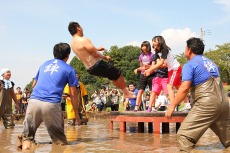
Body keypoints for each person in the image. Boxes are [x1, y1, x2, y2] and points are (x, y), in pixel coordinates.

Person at [165, 37, 230, 152]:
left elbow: (184, 88)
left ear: (189, 50)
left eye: (185, 48)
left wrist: (172, 106)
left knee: (184, 136)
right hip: (224, 104)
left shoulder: (190, 64)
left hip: (207, 104)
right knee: (228, 141)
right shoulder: (212, 63)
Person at [20, 43, 81, 150]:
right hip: (51, 104)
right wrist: (76, 113)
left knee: (27, 138)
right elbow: (73, 94)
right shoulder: (69, 69)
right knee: (59, 142)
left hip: (34, 101)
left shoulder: (44, 64)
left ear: (54, 53)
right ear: (68, 55)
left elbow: (34, 84)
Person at [68, 21, 134, 99]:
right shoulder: (83, 40)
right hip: (97, 65)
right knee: (118, 73)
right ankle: (126, 93)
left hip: (90, 69)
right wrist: (105, 57)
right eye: (81, 27)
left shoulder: (72, 44)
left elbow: (85, 50)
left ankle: (125, 92)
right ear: (78, 28)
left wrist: (97, 48)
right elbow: (95, 54)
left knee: (113, 77)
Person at [144, 35, 190, 111]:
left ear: (160, 41)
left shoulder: (164, 49)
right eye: (153, 41)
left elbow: (160, 63)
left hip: (175, 68)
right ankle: (187, 104)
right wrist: (150, 68)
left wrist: (150, 70)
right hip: (171, 70)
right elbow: (159, 64)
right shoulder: (157, 52)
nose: (153, 43)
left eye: (155, 41)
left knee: (169, 87)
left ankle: (172, 106)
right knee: (179, 87)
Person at [133, 41, 155, 111]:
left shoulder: (152, 55)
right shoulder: (141, 56)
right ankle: (137, 106)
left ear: (148, 47)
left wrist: (149, 67)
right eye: (142, 46)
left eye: (145, 46)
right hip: (143, 74)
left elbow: (154, 65)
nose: (143, 47)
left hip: (151, 74)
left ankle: (153, 106)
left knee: (152, 91)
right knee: (140, 91)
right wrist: (137, 69)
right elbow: (141, 66)